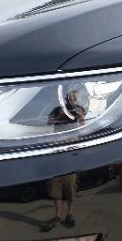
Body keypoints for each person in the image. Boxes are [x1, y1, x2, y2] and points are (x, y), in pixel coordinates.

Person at [40, 88, 87, 232]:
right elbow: (48, 122)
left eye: (75, 97)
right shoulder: (57, 109)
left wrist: (81, 118)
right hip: (57, 151)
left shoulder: (80, 109)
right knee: (56, 188)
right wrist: (59, 117)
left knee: (70, 188)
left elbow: (84, 127)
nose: (73, 100)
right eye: (71, 96)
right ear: (66, 97)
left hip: (71, 153)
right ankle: (57, 216)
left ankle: (70, 214)